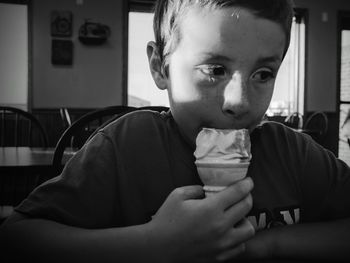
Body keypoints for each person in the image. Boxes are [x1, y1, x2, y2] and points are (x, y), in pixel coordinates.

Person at [1, 0, 350, 262]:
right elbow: (17, 238)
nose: (239, 102)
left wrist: (264, 245)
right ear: (160, 67)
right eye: (214, 69)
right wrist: (154, 243)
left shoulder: (292, 152)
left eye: (263, 74)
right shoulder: (126, 148)